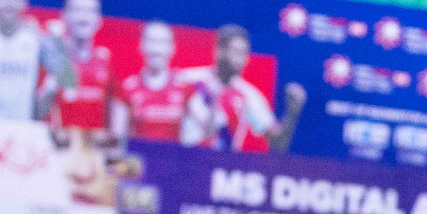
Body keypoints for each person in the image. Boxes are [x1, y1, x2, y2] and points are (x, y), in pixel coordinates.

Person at [178, 24, 304, 153]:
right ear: (219, 51)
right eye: (236, 52)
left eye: (245, 53)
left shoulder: (248, 95)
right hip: (181, 161)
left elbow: (277, 143)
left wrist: (292, 113)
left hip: (221, 167)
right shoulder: (188, 80)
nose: (241, 59)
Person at [0, 0, 72, 122]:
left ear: (25, 3)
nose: (9, 4)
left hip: (21, 129)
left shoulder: (37, 40)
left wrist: (56, 42)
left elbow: (68, 79)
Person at [112, 21, 192, 142]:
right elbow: (116, 138)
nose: (156, 49)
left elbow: (201, 134)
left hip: (174, 159)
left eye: (162, 42)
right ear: (141, 45)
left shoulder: (184, 88)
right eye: (151, 41)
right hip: (137, 160)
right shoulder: (127, 88)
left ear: (172, 47)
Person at [50, 0, 115, 135]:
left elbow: (116, 117)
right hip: (56, 151)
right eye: (77, 10)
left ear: (99, 20)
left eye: (90, 11)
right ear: (64, 16)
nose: (84, 18)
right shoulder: (51, 61)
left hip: (95, 154)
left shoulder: (106, 62)